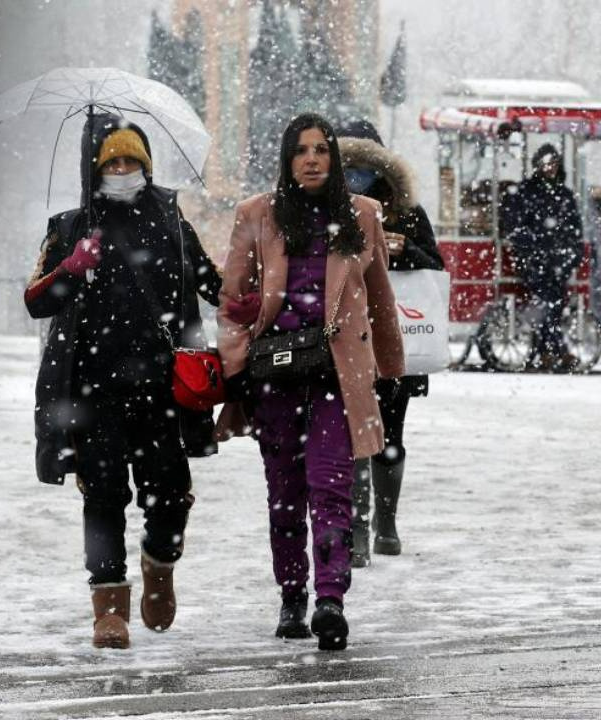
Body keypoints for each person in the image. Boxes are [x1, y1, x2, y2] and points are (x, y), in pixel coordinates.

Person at [25, 113, 221, 649]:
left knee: (170, 494)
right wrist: (69, 267)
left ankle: (160, 566)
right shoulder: (70, 226)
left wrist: (248, 303)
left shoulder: (173, 220)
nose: (122, 168)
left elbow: (210, 282)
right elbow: (36, 301)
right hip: (92, 389)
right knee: (104, 497)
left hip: (161, 387)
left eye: (131, 159)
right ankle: (108, 605)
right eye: (111, 160)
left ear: (147, 164)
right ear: (95, 168)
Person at [215, 113, 404, 652]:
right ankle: (292, 594)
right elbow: (233, 302)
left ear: (334, 158)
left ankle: (330, 599)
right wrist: (235, 365)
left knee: (331, 486)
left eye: (321, 149)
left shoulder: (361, 215)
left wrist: (391, 370)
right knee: (284, 494)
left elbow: (381, 298)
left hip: (336, 378)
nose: (313, 159)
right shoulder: (256, 215)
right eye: (302, 151)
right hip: (274, 378)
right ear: (287, 159)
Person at [337, 121, 446, 566]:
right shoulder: (332, 210)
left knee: (388, 431)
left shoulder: (406, 211)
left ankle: (385, 524)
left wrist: (405, 253)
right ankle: (362, 529)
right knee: (358, 432)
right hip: (346, 337)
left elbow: (435, 270)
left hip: (396, 338)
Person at [502, 143, 585, 373]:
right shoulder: (527, 192)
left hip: (558, 261)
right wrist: (535, 249)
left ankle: (545, 351)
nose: (550, 168)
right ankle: (555, 350)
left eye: (553, 163)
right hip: (536, 261)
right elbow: (516, 228)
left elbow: (573, 228)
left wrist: (570, 255)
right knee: (548, 304)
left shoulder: (562, 194)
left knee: (551, 306)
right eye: (546, 163)